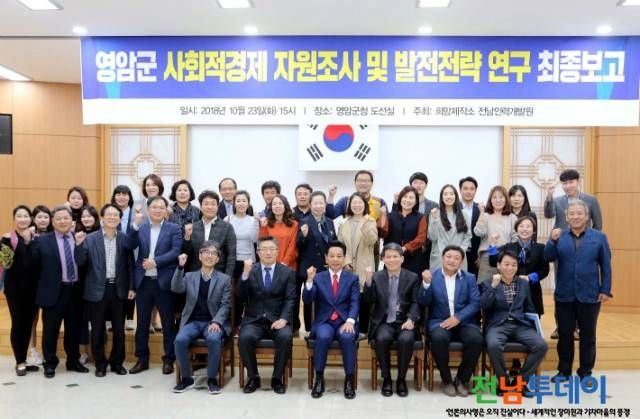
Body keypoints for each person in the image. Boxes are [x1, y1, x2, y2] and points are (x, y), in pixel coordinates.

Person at [544, 200, 612, 384]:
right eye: (571, 214)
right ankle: (564, 371)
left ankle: (585, 372)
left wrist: (605, 289)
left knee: (588, 335)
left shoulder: (599, 237)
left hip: (590, 294)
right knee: (565, 334)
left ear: (587, 216)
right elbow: (548, 257)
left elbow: (606, 265)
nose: (575, 217)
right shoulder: (560, 236)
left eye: (579, 213)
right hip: (564, 294)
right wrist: (552, 241)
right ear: (566, 217)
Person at [28, 206, 89, 378]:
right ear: (53, 222)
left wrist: (79, 246)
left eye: (65, 218)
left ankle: (73, 361)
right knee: (50, 330)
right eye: (58, 219)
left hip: (75, 291)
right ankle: (50, 363)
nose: (62, 221)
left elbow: (83, 263)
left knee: (73, 329)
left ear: (72, 221)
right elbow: (32, 266)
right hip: (53, 292)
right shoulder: (41, 241)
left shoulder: (79, 238)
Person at [75, 204, 134, 377]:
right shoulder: (90, 238)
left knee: (119, 329)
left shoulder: (124, 238)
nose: (112, 217)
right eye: (109, 214)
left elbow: (130, 265)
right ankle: (100, 363)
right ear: (102, 218)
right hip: (97, 289)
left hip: (118, 289)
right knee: (98, 329)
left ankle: (117, 363)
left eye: (116, 215)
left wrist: (131, 287)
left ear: (120, 219)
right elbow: (80, 262)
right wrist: (78, 245)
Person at [126, 196, 182, 375]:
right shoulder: (140, 227)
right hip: (144, 282)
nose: (158, 210)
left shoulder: (174, 228)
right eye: (154, 207)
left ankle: (169, 359)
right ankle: (142, 359)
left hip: (164, 282)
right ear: (148, 209)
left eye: (161, 207)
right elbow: (129, 244)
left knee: (168, 323)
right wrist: (134, 226)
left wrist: (156, 262)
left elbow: (176, 251)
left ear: (166, 210)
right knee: (142, 323)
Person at [417, 245, 482, 397]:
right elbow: (423, 301)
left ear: (461, 261)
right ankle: (447, 380)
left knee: (476, 340)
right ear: (442, 258)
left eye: (456, 258)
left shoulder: (469, 278)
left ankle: (461, 380)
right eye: (449, 257)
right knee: (439, 339)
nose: (452, 260)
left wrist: (458, 318)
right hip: (439, 321)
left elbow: (475, 303)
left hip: (464, 321)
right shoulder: (432, 276)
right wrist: (426, 284)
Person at [481, 250, 548, 396]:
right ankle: (504, 383)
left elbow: (529, 307)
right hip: (497, 325)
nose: (510, 268)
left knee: (541, 345)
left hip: (520, 325)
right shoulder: (488, 283)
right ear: (498, 265)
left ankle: (520, 382)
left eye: (513, 265)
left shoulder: (523, 283)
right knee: (493, 345)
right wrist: (493, 286)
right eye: (506, 264)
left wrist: (535, 327)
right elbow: (484, 305)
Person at [237, 236, 296, 395]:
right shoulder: (251, 270)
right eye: (264, 249)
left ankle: (277, 378)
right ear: (258, 252)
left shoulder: (287, 272)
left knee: (285, 337)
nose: (268, 252)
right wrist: (245, 274)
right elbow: (240, 295)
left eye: (272, 249)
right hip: (254, 320)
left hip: (278, 319)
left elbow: (290, 299)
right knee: (245, 337)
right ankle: (253, 377)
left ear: (277, 251)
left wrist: (283, 319)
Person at [172, 242, 231, 394]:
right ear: (200, 256)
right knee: (179, 340)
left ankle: (212, 379)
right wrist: (180, 267)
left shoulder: (224, 279)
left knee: (213, 339)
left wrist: (217, 321)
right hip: (192, 322)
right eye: (206, 252)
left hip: (213, 322)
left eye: (213, 253)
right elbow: (176, 288)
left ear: (218, 259)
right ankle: (187, 379)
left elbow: (226, 305)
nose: (209, 256)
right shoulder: (189, 276)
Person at [303, 241, 360, 400]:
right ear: (326, 258)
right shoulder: (318, 277)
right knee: (323, 336)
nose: (335, 259)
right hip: (325, 322)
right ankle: (319, 379)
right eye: (332, 256)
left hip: (344, 321)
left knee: (348, 337)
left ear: (344, 258)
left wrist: (350, 321)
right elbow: (307, 299)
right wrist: (309, 281)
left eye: (339, 256)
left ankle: (349, 380)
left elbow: (355, 302)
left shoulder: (352, 278)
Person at [362, 243, 420, 397]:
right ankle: (386, 378)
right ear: (382, 259)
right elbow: (368, 300)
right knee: (381, 338)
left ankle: (401, 379)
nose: (392, 260)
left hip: (404, 321)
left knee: (406, 339)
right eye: (388, 257)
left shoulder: (412, 277)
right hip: (384, 321)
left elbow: (416, 302)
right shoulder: (376, 277)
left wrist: (411, 319)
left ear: (402, 259)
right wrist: (368, 281)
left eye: (395, 256)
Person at [1, 206, 39, 376]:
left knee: (28, 325)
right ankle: (20, 362)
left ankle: (24, 359)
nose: (23, 219)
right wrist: (21, 242)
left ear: (31, 219)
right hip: (15, 290)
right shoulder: (7, 239)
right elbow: (7, 263)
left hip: (34, 290)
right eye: (19, 216)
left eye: (26, 216)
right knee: (18, 324)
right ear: (14, 219)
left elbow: (34, 262)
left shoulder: (36, 238)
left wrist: (28, 240)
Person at [489, 216, 549, 316]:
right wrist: (492, 244)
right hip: (511, 290)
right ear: (516, 230)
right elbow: (493, 262)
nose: (524, 229)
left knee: (532, 319)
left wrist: (529, 278)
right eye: (521, 226)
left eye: (528, 226)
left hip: (532, 290)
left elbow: (544, 270)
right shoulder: (509, 246)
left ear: (534, 230)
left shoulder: (541, 248)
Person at [338, 192, 378, 334]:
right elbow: (340, 247)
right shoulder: (343, 223)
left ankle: (363, 331)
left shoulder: (370, 221)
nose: (357, 205)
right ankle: (349, 328)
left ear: (364, 205)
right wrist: (345, 262)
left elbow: (372, 241)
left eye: (360, 202)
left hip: (364, 265)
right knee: (348, 298)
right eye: (354, 203)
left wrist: (366, 225)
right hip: (347, 267)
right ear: (349, 205)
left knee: (364, 298)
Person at [297, 191, 337, 332]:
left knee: (325, 298)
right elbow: (299, 245)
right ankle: (309, 329)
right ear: (310, 205)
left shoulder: (330, 222)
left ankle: (324, 325)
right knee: (310, 298)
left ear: (325, 205)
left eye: (321, 203)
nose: (319, 206)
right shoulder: (304, 221)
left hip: (327, 267)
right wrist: (304, 236)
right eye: (316, 203)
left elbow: (333, 243)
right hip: (311, 268)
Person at [225, 190, 259, 331]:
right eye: (238, 200)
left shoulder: (253, 220)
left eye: (244, 200)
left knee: (249, 294)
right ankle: (235, 323)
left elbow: (255, 239)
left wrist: (256, 222)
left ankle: (249, 323)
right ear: (234, 203)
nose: (241, 203)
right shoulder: (227, 219)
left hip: (249, 262)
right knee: (235, 295)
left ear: (248, 203)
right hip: (233, 261)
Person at [183, 190, 236, 277]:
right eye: (206, 204)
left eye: (213, 204)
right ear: (201, 207)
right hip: (195, 274)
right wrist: (187, 237)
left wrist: (227, 277)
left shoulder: (227, 227)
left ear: (217, 206)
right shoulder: (193, 227)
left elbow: (231, 255)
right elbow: (187, 253)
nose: (210, 207)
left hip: (219, 274)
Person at [392, 172, 439, 271]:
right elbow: (394, 220)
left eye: (421, 183)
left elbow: (435, 228)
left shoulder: (433, 206)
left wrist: (424, 245)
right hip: (403, 250)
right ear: (411, 185)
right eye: (415, 182)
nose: (418, 185)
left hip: (426, 251)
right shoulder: (403, 202)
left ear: (426, 185)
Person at [379, 186, 427, 275]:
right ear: (400, 199)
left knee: (411, 282)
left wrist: (405, 248)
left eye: (411, 198)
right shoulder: (390, 216)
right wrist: (383, 216)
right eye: (405, 197)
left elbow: (421, 238)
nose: (407, 200)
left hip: (413, 261)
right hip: (392, 259)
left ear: (416, 201)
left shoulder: (420, 217)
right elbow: (383, 234)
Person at [26, 205, 52, 367]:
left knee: (48, 320)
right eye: (39, 217)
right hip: (32, 284)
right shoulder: (27, 235)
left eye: (46, 217)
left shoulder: (54, 235)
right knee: (32, 320)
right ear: (33, 219)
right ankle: (33, 350)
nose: (43, 220)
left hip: (49, 284)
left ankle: (48, 351)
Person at [474, 185, 517, 282]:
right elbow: (478, 232)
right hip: (487, 257)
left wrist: (508, 253)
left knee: (504, 287)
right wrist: (481, 213)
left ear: (506, 199)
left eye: (501, 197)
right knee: (484, 287)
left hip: (506, 257)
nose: (498, 200)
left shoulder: (512, 217)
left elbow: (515, 238)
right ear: (490, 200)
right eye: (494, 197)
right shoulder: (485, 216)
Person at [428, 184, 472, 271]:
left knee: (459, 279)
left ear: (456, 196)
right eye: (445, 194)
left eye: (451, 194)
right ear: (441, 197)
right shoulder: (435, 213)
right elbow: (433, 237)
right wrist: (434, 219)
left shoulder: (464, 214)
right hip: (439, 258)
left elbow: (468, 236)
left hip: (458, 257)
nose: (449, 196)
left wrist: (460, 251)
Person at [77, 204, 100, 365]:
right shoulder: (76, 233)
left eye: (89, 216)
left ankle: (98, 353)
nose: (86, 219)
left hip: (97, 282)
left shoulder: (102, 233)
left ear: (95, 218)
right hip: (80, 282)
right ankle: (83, 352)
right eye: (83, 216)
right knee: (82, 319)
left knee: (98, 320)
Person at [111, 185, 136, 330]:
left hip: (133, 251)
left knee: (131, 282)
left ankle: (129, 317)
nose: (121, 197)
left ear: (129, 197)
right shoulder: (110, 212)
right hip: (114, 251)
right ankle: (110, 317)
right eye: (118, 194)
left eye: (125, 194)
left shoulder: (135, 213)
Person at [259, 194, 298, 270]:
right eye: (274, 204)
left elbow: (293, 247)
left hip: (288, 266)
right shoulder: (266, 223)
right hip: (270, 265)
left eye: (280, 203)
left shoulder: (294, 224)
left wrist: (284, 263)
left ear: (285, 206)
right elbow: (262, 244)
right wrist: (263, 227)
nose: (277, 206)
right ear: (271, 207)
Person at [458, 177, 482, 276]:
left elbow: (484, 235)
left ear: (475, 191)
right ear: (460, 190)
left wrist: (481, 255)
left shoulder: (480, 209)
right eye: (465, 188)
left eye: (472, 189)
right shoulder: (454, 207)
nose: (468, 191)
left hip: (475, 255)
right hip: (457, 252)